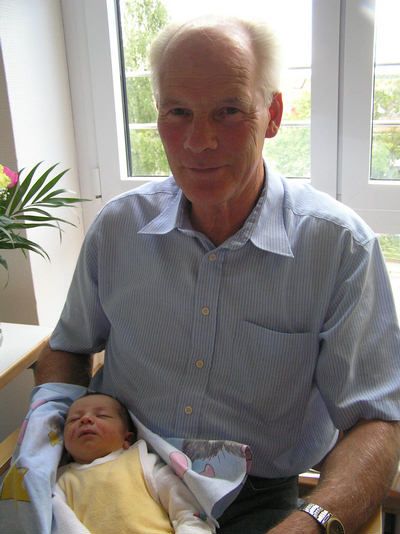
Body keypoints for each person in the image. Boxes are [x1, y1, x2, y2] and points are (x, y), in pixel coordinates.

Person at [35, 15, 400, 534]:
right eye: (178, 112)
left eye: (228, 111)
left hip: (253, 498)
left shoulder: (339, 248)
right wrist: (44, 442)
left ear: (272, 115)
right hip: (117, 468)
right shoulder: (118, 228)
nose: (199, 141)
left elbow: (375, 420)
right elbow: (69, 348)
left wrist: (311, 522)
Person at [53, 392, 214, 533]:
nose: (85, 419)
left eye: (102, 416)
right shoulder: (61, 481)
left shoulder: (143, 462)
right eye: (74, 419)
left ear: (127, 438)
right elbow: (63, 525)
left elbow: (186, 510)